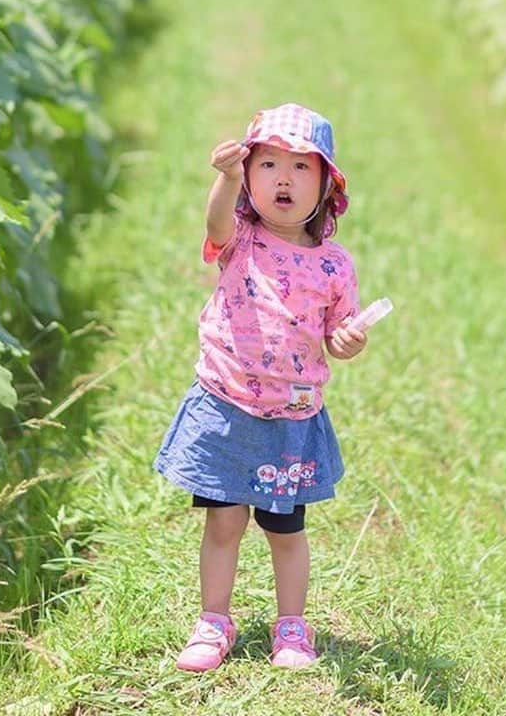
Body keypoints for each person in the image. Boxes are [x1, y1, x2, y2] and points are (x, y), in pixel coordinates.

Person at [153, 103, 368, 672]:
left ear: (326, 186)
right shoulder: (242, 239)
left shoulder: (334, 267)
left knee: (285, 529)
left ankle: (292, 626)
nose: (284, 179)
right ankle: (213, 620)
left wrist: (347, 342)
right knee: (223, 520)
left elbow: (338, 332)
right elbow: (215, 227)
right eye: (268, 164)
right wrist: (223, 180)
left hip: (291, 416)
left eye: (302, 168)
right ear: (250, 177)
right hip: (227, 403)